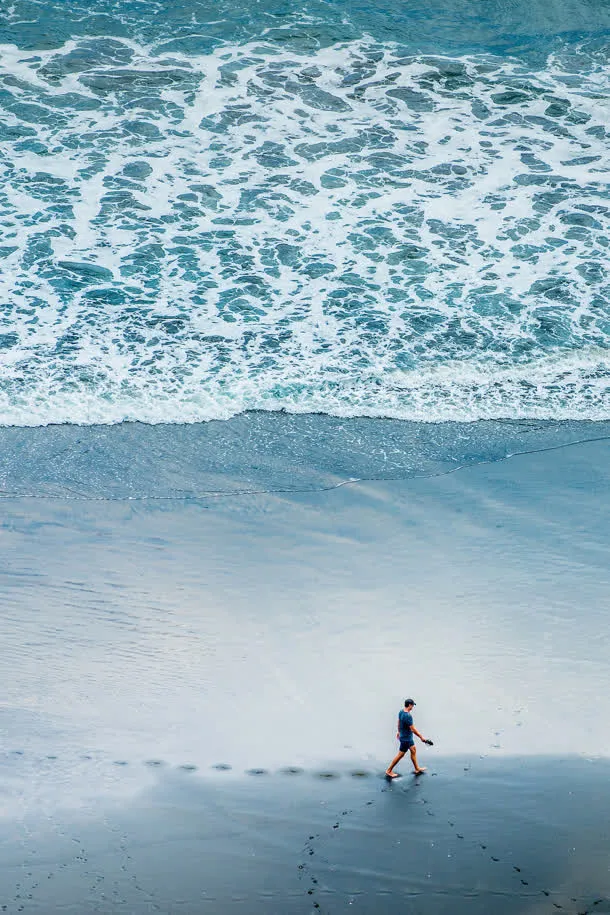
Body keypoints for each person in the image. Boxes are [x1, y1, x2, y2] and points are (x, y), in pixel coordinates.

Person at [385, 699, 430, 777]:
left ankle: (417, 768)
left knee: (413, 750)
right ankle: (389, 770)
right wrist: (421, 737)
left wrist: (398, 731)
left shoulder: (401, 711)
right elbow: (413, 729)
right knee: (400, 755)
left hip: (406, 737)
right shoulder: (408, 716)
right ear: (409, 705)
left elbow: (399, 722)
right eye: (412, 705)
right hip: (406, 739)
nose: (413, 707)